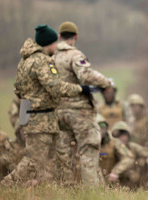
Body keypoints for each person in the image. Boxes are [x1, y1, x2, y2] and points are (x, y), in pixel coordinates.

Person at [1, 24, 91, 186]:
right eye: (55, 43)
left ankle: (68, 188)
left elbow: (18, 90)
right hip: (41, 120)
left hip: (40, 118)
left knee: (62, 156)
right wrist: (80, 89)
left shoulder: (24, 61)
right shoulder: (42, 62)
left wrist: (28, 111)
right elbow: (55, 87)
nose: (57, 46)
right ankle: (7, 185)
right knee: (33, 161)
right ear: (48, 44)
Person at [53, 21, 112, 186]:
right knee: (88, 151)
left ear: (59, 36)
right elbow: (85, 75)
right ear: (75, 37)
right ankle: (91, 192)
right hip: (79, 113)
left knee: (64, 157)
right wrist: (106, 82)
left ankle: (64, 193)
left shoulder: (51, 57)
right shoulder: (74, 55)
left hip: (58, 113)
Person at [97, 115, 134, 185]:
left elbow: (128, 157)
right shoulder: (83, 143)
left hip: (108, 181)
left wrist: (115, 172)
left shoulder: (114, 142)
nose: (101, 131)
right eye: (99, 128)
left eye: (103, 128)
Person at [111, 121, 148, 188]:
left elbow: (147, 153)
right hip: (112, 175)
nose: (123, 138)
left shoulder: (132, 147)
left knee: (133, 175)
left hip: (128, 176)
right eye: (121, 136)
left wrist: (142, 160)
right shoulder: (111, 147)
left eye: (125, 136)